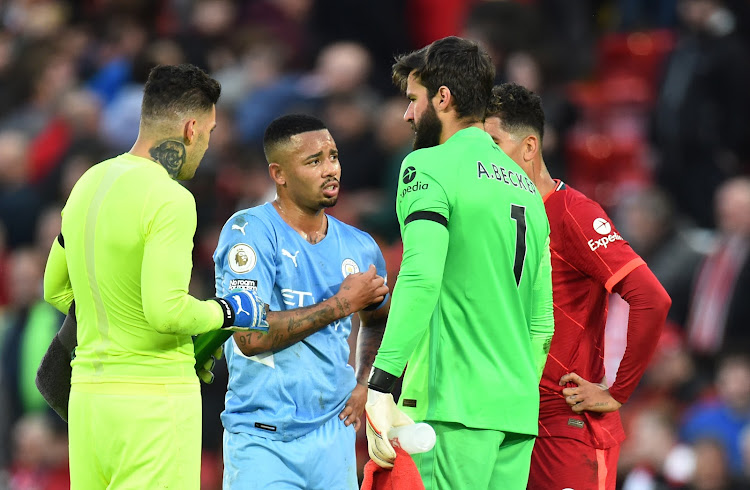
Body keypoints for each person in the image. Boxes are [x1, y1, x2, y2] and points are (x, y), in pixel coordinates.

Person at [41, 63, 271, 490]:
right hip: (153, 403)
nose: (207, 143)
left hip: (89, 401)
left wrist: (112, 310)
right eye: (209, 131)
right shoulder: (170, 198)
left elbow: (54, 287)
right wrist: (229, 311)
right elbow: (166, 312)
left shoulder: (88, 182)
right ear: (189, 128)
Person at [364, 37, 554, 490]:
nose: (408, 115)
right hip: (515, 413)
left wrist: (382, 380)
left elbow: (420, 274)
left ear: (442, 98)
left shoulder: (427, 166)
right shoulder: (528, 190)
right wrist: (511, 393)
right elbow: (542, 324)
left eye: (413, 100)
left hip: (450, 408)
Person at [484, 82, 672, 490]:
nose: (483, 158)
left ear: (529, 147)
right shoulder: (500, 220)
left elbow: (651, 298)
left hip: (565, 425)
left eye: (493, 142)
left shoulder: (573, 214)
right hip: (509, 422)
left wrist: (617, 391)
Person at [214, 113, 391, 489]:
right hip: (262, 438)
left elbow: (377, 320)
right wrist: (341, 304)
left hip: (334, 434)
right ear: (279, 174)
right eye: (314, 161)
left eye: (334, 156)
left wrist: (365, 383)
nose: (331, 170)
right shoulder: (249, 232)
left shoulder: (361, 247)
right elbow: (250, 338)